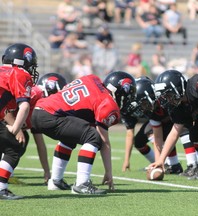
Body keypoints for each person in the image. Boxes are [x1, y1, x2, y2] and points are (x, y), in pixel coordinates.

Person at [31, 71, 136, 195]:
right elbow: (104, 141)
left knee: (70, 137)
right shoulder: (108, 103)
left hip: (38, 111)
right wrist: (109, 171)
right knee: (93, 136)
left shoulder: (92, 78)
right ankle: (82, 184)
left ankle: (55, 181)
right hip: (51, 115)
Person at [3, 73, 67, 185]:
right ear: (50, 88)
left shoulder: (39, 107)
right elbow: (5, 108)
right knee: (17, 139)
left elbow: (40, 143)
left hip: (7, 126)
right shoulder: (34, 94)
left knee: (23, 139)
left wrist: (47, 171)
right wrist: (17, 129)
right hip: (3, 123)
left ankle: (4, 174)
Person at [122, 76, 184, 174]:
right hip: (163, 120)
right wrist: (158, 163)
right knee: (140, 141)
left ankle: (187, 163)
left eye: (142, 104)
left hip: (179, 119)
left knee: (181, 126)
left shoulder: (164, 99)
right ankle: (160, 163)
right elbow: (157, 137)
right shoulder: (151, 110)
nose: (141, 108)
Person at [0, 43, 38, 199]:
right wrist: (15, 128)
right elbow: (24, 106)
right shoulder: (18, 73)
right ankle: (1, 188)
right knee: (15, 145)